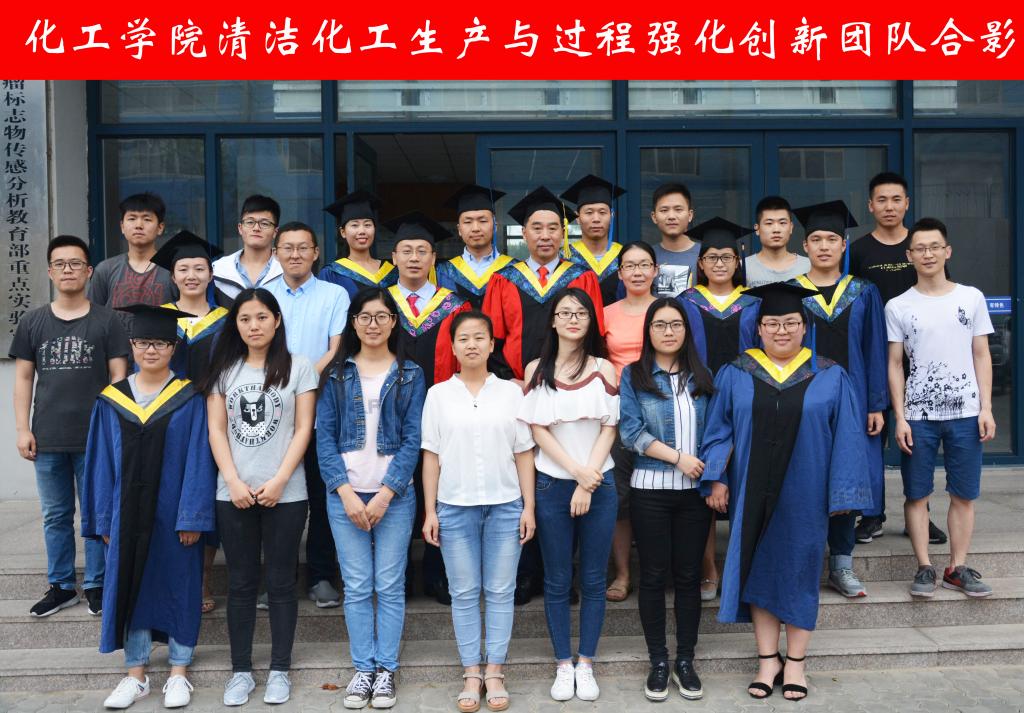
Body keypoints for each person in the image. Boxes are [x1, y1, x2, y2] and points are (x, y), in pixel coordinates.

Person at [701, 282, 872, 702]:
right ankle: (767, 660)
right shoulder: (737, 372)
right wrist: (717, 476)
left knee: (799, 571)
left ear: (804, 327)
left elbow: (848, 436)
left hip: (806, 491)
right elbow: (719, 429)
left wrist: (843, 494)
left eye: (791, 323)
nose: (782, 331)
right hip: (750, 490)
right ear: (758, 328)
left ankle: (795, 662)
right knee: (757, 568)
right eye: (773, 324)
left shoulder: (830, 374)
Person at [81, 304, 216, 710]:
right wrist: (105, 518)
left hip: (174, 515)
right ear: (132, 346)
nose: (150, 350)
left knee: (179, 584)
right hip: (125, 515)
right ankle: (135, 675)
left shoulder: (189, 399)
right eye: (143, 343)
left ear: (173, 348)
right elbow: (100, 464)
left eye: (159, 343)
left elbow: (199, 459)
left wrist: (193, 516)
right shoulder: (111, 401)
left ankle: (178, 671)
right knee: (131, 585)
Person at [482, 187, 605, 605]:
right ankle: (525, 574)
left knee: (564, 478)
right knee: (523, 481)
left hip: (569, 394)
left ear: (563, 233)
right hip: (518, 391)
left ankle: (563, 575)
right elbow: (494, 342)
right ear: (524, 233)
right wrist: (513, 382)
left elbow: (594, 336)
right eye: (537, 227)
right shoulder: (504, 279)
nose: (545, 235)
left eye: (553, 227)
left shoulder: (581, 277)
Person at [202, 288, 318, 707]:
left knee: (282, 582)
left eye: (262, 317)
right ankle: (241, 671)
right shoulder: (223, 369)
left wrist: (280, 479)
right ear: (236, 324)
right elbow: (216, 430)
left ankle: (280, 669)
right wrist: (232, 480)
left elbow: (303, 428)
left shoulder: (299, 367)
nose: (254, 326)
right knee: (241, 582)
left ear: (277, 320)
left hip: (286, 493)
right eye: (245, 318)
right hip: (233, 493)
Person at [421, 311, 536, 713]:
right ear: (453, 347)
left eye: (479, 337)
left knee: (502, 591)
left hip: (505, 505)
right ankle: (472, 671)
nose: (471, 344)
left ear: (492, 344)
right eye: (463, 338)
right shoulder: (438, 395)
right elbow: (431, 456)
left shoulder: (511, 393)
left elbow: (524, 453)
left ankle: (495, 671)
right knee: (464, 592)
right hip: (454, 507)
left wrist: (528, 507)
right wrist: (430, 510)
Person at [317, 287, 425, 710]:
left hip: (394, 495)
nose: (373, 324)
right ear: (354, 323)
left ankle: (386, 670)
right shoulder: (336, 374)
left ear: (394, 322)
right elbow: (324, 438)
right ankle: (363, 669)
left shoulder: (411, 373)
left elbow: (414, 439)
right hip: (345, 495)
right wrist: (344, 491)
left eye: (382, 316)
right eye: (365, 316)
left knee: (390, 585)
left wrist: (385, 494)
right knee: (359, 585)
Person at [10, 236, 128, 618]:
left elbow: (119, 376)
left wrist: (112, 428)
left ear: (89, 271)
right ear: (49, 272)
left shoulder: (107, 320)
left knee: (96, 513)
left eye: (75, 263)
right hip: (47, 437)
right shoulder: (33, 321)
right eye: (60, 264)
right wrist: (22, 429)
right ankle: (61, 585)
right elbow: (23, 378)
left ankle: (96, 584)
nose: (68, 270)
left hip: (95, 437)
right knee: (56, 515)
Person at [518, 288, 619, 702]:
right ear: (553, 320)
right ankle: (563, 663)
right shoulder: (535, 369)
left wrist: (587, 480)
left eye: (581, 313)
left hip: (600, 484)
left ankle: (586, 663)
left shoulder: (604, 367)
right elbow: (537, 430)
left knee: (593, 579)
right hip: (552, 484)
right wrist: (576, 473)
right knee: (557, 579)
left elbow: (609, 427)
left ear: (591, 321)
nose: (573, 319)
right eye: (565, 312)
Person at [886, 218, 996, 599]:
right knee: (917, 494)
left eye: (935, 247)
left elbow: (981, 354)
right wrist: (900, 417)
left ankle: (957, 567)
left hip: (966, 413)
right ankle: (924, 567)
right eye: (920, 248)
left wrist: (986, 408)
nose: (928, 254)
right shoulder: (898, 306)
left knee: (963, 494)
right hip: (918, 416)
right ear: (909, 256)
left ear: (947, 251)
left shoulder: (971, 298)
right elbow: (895, 364)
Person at [790, 200, 888, 599]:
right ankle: (805, 561)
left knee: (845, 480)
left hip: (853, 403)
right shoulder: (791, 293)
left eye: (832, 239)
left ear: (844, 245)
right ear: (805, 246)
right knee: (805, 480)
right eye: (816, 239)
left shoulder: (864, 293)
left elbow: (876, 349)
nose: (824, 246)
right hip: (803, 403)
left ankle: (842, 565)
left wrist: (876, 403)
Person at [619, 298, 715, 702]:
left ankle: (685, 661)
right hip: (650, 491)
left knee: (689, 577)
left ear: (686, 331)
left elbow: (718, 431)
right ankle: (658, 661)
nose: (668, 331)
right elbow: (630, 433)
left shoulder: (702, 376)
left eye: (676, 324)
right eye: (659, 325)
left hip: (695, 495)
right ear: (649, 331)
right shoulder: (635, 375)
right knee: (655, 576)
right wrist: (679, 458)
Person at [850, 172, 947, 546]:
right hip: (874, 359)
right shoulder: (859, 251)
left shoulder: (922, 247)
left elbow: (940, 294)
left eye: (896, 199)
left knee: (917, 441)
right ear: (870, 206)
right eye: (881, 200)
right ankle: (872, 514)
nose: (889, 207)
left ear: (907, 203)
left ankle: (919, 515)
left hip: (919, 363)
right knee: (872, 436)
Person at [383, 212, 471, 605]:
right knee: (396, 490)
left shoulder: (453, 306)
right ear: (394, 257)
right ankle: (398, 576)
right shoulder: (381, 304)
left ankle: (438, 575)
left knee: (441, 492)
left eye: (422, 251)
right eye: (407, 251)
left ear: (434, 258)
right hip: (390, 415)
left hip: (442, 414)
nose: (414, 258)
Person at [676, 218, 762, 605]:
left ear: (738, 261)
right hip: (699, 400)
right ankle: (708, 568)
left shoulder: (755, 304)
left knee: (745, 482)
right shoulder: (686, 302)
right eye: (712, 257)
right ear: (701, 263)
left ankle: (743, 568)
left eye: (727, 257)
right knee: (704, 486)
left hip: (746, 401)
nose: (720, 264)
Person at [266, 221, 350, 608]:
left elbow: (336, 349)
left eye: (303, 247)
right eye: (288, 247)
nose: (295, 254)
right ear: (276, 253)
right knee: (276, 499)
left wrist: (300, 383)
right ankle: (276, 580)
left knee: (321, 497)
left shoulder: (335, 295)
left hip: (320, 412)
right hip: (272, 415)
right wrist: (284, 389)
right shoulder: (263, 297)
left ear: (316, 253)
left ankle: (320, 576)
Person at [152, 230, 230, 615]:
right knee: (172, 493)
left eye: (199, 268)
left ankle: (203, 578)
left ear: (211, 274)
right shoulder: (160, 320)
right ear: (173, 276)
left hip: (217, 418)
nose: (192, 275)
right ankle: (174, 575)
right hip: (171, 419)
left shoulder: (227, 319)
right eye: (183, 269)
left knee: (209, 496)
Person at [601, 241, 658, 604]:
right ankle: (622, 574)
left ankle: (657, 570)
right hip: (619, 414)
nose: (637, 272)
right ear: (620, 273)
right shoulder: (605, 314)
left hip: (662, 411)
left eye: (644, 265)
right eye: (630, 266)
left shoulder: (668, 310)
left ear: (655, 270)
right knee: (620, 496)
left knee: (659, 493)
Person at [87, 193, 175, 317]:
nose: (138, 225)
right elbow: (93, 317)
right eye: (132, 219)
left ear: (160, 228)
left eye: (147, 219)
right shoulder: (105, 269)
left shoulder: (174, 269)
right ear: (122, 226)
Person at [436, 184, 514, 309]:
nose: (475, 228)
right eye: (468, 222)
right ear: (459, 229)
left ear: (495, 226)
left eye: (483, 221)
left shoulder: (514, 269)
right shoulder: (444, 272)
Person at [561, 174, 627, 306]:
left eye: (602, 212)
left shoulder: (625, 256)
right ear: (578, 218)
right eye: (589, 212)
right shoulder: (564, 257)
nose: (596, 219)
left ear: (611, 216)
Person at [319, 190, 399, 299]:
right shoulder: (331, 274)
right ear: (343, 232)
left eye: (367, 225)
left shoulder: (392, 272)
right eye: (354, 225)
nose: (362, 231)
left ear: (374, 229)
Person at [212, 195, 284, 301]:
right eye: (250, 222)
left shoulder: (286, 269)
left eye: (264, 223)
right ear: (240, 228)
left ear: (275, 232)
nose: (256, 228)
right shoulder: (218, 270)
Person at [745, 196, 810, 288]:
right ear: (757, 229)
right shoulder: (743, 267)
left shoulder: (808, 266)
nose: (776, 230)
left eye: (782, 223)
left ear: (791, 227)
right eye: (769, 223)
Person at [649, 183, 700, 298]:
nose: (671, 216)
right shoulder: (646, 257)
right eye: (664, 210)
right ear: (654, 217)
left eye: (678, 209)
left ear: (690, 215)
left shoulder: (706, 255)